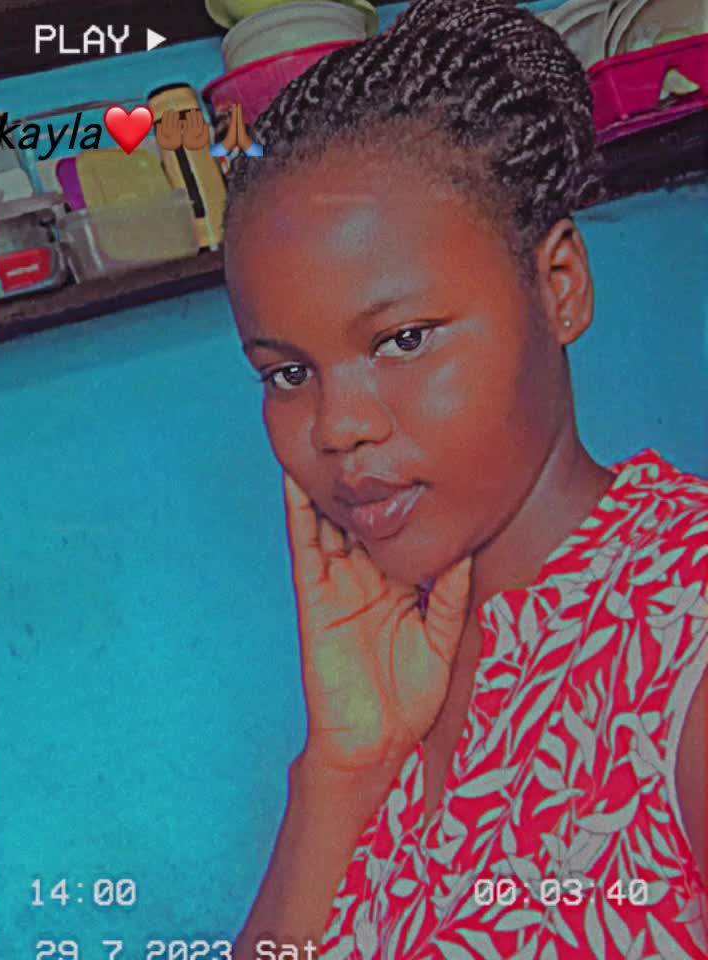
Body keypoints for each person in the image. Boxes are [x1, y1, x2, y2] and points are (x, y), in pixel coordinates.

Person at [220, 0, 708, 955]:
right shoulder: (386, 668)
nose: (338, 427)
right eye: (288, 373)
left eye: (404, 340)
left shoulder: (683, 628)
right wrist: (343, 771)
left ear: (559, 285)